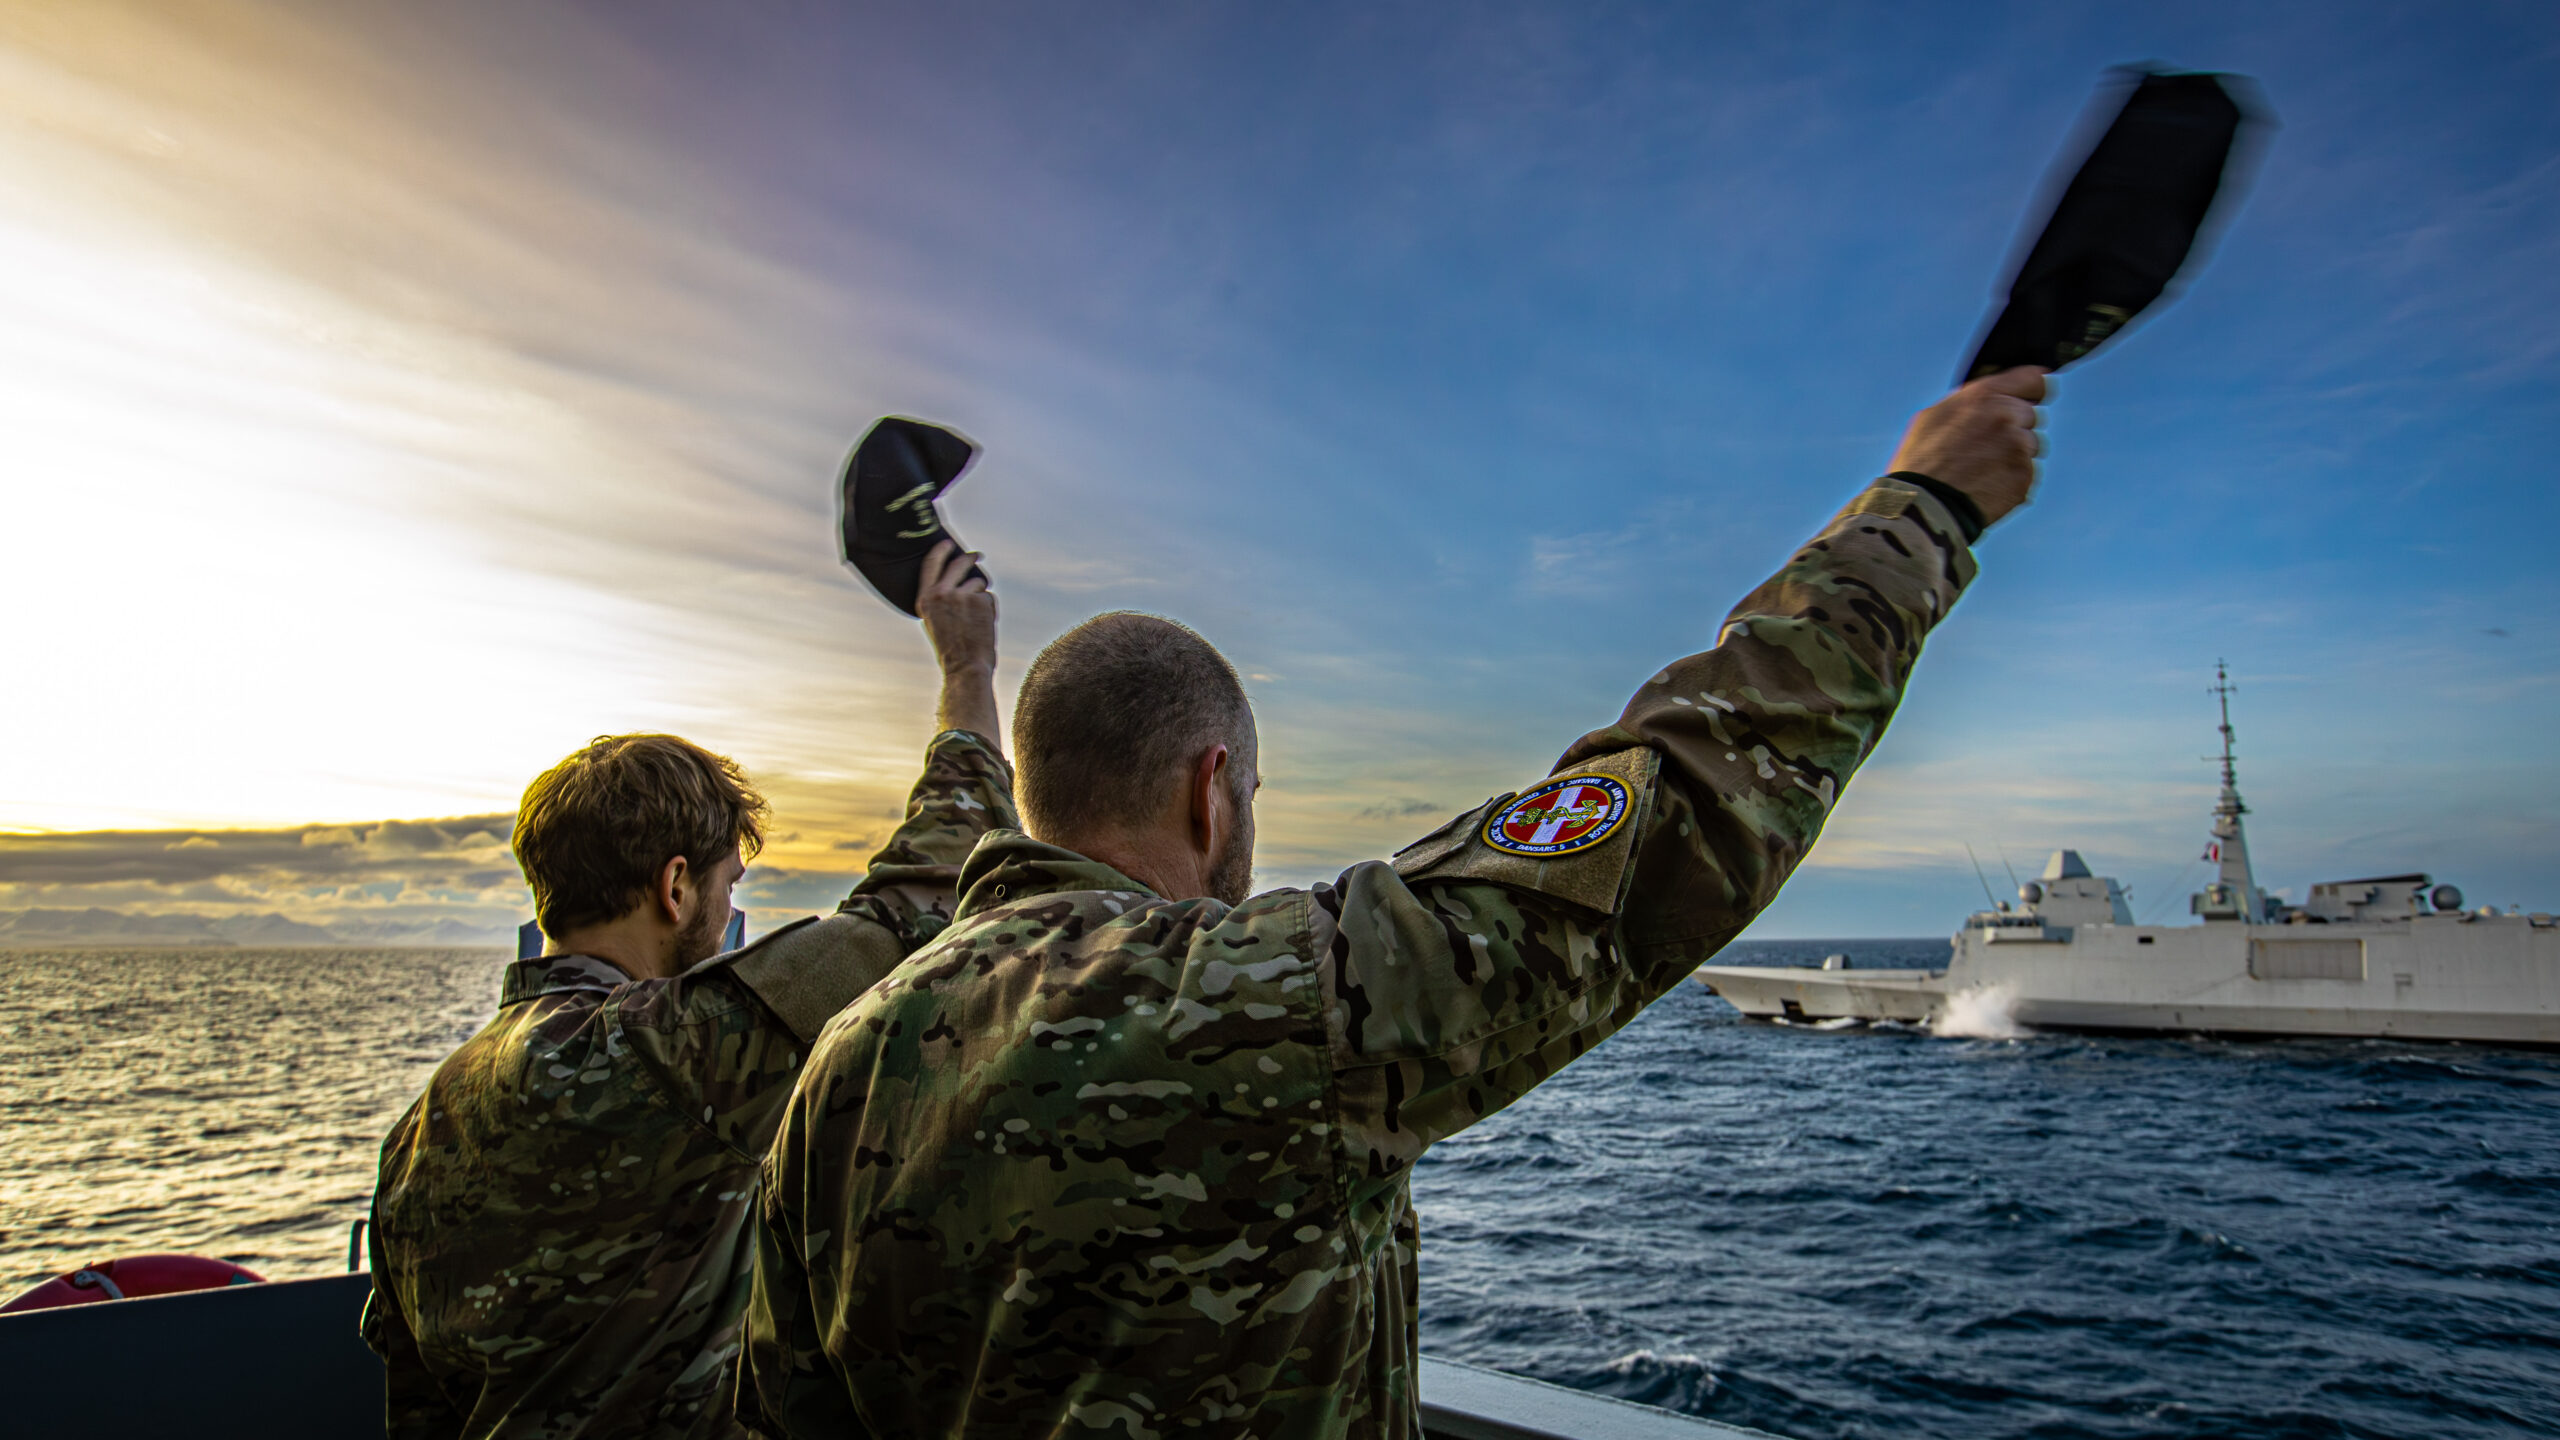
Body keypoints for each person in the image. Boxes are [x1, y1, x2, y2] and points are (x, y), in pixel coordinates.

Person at [738, 369, 2047, 1439]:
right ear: (1212, 793)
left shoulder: (848, 1058)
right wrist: (1920, 511)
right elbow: (1682, 803)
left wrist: (962, 669)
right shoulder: (1255, 1002)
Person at [362, 542, 1015, 1439]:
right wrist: (968, 668)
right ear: (675, 888)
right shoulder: (661, 1058)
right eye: (727, 884)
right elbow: (924, 894)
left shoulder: (421, 1126)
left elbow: (414, 1396)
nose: (730, 910)